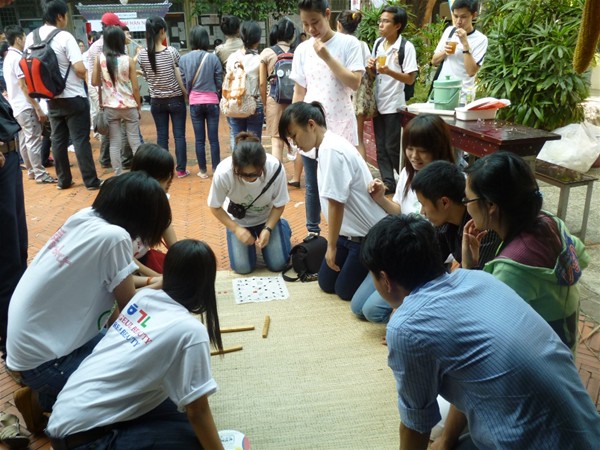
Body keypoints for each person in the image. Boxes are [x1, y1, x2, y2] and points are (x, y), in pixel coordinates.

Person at [361, 214, 600, 450]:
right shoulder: (480, 279)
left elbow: (416, 425)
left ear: (385, 279)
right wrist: (447, 440)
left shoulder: (406, 327)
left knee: (435, 428)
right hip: (589, 431)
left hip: (529, 441)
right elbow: (470, 375)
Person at [6, 172, 171, 418]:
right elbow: (129, 309)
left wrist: (154, 283)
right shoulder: (115, 238)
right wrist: (167, 285)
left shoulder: (85, 216)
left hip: (36, 347)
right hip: (47, 362)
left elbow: (112, 287)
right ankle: (54, 400)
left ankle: (43, 398)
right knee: (143, 391)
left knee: (128, 352)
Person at [45, 240, 225, 450]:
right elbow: (198, 412)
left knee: (178, 413)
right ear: (206, 283)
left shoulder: (144, 298)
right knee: (196, 442)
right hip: (87, 442)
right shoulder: (191, 331)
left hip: (62, 416)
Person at [462, 152, 589, 352]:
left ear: (491, 205)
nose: (467, 207)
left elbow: (484, 323)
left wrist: (468, 268)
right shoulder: (552, 223)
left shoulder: (512, 269)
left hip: (539, 360)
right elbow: (581, 256)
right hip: (564, 346)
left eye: (468, 200)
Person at [351, 114, 454, 322]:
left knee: (372, 311)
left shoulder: (448, 182)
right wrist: (380, 198)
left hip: (421, 260)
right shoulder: (408, 173)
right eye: (410, 148)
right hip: (397, 251)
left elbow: (448, 239)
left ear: (438, 148)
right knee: (358, 307)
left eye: (422, 150)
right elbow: (399, 210)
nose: (414, 156)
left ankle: (413, 312)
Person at [280, 102, 386, 300]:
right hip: (347, 235)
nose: (295, 144)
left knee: (344, 291)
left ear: (311, 125)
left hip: (367, 237)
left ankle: (384, 270)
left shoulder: (331, 150)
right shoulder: (327, 146)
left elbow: (336, 203)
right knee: (326, 283)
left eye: (294, 136)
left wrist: (331, 246)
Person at [290, 0, 364, 237]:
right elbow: (299, 92)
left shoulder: (349, 44)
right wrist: (293, 125)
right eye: (305, 24)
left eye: (315, 22)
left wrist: (327, 57)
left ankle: (345, 233)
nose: (311, 29)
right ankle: (313, 232)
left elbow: (354, 82)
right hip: (310, 128)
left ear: (328, 14)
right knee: (313, 184)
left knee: (343, 184)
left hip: (340, 126)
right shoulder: (302, 50)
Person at [25, 0, 102, 190]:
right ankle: (91, 181)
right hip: (74, 97)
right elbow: (79, 68)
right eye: (66, 15)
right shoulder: (65, 37)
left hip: (50, 97)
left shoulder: (31, 37)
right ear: (59, 16)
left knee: (57, 141)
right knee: (80, 140)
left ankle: (63, 180)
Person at [208, 132, 291, 275]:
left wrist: (268, 228)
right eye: (243, 174)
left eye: (254, 174)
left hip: (266, 218)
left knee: (278, 264)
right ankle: (247, 240)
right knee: (243, 268)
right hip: (238, 221)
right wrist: (236, 229)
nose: (249, 178)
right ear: (235, 167)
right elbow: (214, 206)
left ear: (262, 166)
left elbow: (279, 204)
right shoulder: (223, 173)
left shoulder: (275, 168)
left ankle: (282, 226)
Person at [411, 160, 499, 269]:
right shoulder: (445, 223)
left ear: (444, 202)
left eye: (423, 205)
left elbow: (477, 275)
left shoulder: (482, 228)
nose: (422, 212)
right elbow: (430, 263)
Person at [367, 5, 417, 193]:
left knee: (392, 146)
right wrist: (370, 67)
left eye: (386, 21)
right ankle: (389, 182)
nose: (381, 24)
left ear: (397, 26)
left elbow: (410, 78)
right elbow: (373, 75)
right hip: (378, 102)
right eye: (380, 21)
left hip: (395, 104)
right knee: (380, 146)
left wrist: (389, 71)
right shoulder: (378, 44)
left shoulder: (406, 47)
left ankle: (406, 179)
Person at [3, 25, 56, 184]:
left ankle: (32, 171)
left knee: (25, 140)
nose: (26, 40)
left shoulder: (9, 57)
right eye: (24, 37)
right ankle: (39, 174)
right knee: (33, 140)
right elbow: (23, 86)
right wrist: (37, 107)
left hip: (16, 106)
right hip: (25, 105)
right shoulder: (17, 58)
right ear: (18, 39)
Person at [138, 16, 189, 178]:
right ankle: (181, 169)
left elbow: (147, 76)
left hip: (156, 101)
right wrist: (185, 93)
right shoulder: (171, 52)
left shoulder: (142, 55)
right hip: (175, 99)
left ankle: (164, 170)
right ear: (162, 31)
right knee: (179, 135)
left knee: (162, 136)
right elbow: (179, 74)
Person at [92, 25, 141, 176]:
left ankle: (118, 173)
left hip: (110, 106)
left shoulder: (100, 58)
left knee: (114, 142)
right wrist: (138, 107)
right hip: (129, 105)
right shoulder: (128, 60)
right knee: (135, 141)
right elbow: (135, 88)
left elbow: (94, 82)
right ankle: (140, 171)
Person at [87, 13, 134, 170]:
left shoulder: (101, 50)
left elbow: (95, 80)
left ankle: (114, 167)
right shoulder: (103, 49)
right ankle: (130, 164)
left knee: (113, 136)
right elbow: (132, 84)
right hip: (116, 97)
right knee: (129, 136)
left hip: (109, 97)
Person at [0, 94, 27, 362]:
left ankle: (18, 333)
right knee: (8, 258)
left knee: (18, 252)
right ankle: (12, 345)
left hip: (10, 156)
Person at [179, 25, 222, 179]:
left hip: (195, 102)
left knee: (199, 140)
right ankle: (216, 169)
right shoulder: (213, 58)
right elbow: (219, 80)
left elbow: (184, 80)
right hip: (212, 101)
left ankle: (203, 171)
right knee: (213, 139)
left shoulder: (183, 59)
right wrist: (215, 91)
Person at [130, 142, 177, 279]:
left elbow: (165, 224)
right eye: (164, 175)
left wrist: (180, 255)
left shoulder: (159, 199)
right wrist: (157, 279)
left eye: (170, 174)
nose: (170, 180)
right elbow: (124, 260)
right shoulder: (125, 205)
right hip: (125, 269)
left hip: (142, 261)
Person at [431, 0, 488, 104]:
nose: (458, 21)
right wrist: (445, 52)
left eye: (463, 17)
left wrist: (465, 44)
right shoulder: (450, 31)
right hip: (441, 92)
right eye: (455, 16)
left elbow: (471, 72)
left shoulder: (481, 39)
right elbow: (434, 61)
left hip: (462, 97)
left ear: (474, 15)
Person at [259, 17, 295, 162]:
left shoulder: (267, 52)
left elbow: (262, 83)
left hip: (275, 99)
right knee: (298, 141)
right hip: (296, 100)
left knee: (277, 141)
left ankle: (277, 173)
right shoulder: (299, 52)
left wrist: (265, 103)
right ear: (293, 35)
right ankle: (297, 174)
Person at [336, 10, 371, 160]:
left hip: (340, 96)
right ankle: (361, 171)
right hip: (359, 97)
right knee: (358, 139)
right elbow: (370, 71)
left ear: (338, 24)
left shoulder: (335, 44)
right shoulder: (362, 45)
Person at [225, 21, 264, 145]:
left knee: (236, 138)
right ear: (258, 39)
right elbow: (262, 84)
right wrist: (265, 104)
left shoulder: (232, 58)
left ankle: (237, 158)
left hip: (235, 102)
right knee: (254, 141)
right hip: (254, 104)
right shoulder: (259, 59)